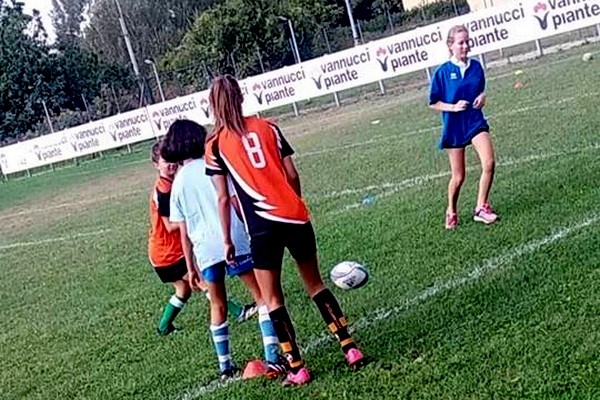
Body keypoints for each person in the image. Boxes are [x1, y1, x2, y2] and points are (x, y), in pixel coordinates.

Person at [206, 74, 366, 387]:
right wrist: (295, 205)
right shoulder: (269, 127)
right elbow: (292, 174)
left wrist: (226, 239)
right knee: (316, 285)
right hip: (295, 217)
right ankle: (350, 349)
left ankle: (297, 368)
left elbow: (223, 197)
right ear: (241, 97)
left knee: (273, 298)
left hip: (263, 227)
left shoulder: (215, 145)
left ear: (212, 105)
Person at [160, 120, 287, 380]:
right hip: (234, 240)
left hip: (204, 248)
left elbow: (183, 229)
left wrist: (191, 266)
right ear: (198, 139)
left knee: (217, 304)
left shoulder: (179, 181)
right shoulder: (213, 165)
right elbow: (231, 200)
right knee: (262, 295)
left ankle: (225, 367)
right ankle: (273, 358)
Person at [147, 143, 255, 337]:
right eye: (165, 162)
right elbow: (170, 225)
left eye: (172, 159)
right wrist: (191, 217)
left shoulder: (172, 184)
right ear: (156, 165)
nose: (171, 164)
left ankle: (164, 327)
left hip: (162, 252)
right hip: (168, 252)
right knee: (204, 282)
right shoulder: (164, 190)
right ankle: (239, 312)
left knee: (184, 289)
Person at [428, 25, 499, 229]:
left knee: (489, 163)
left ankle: (481, 208)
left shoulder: (476, 67)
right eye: (461, 42)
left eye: (468, 41)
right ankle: (451, 210)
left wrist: (482, 98)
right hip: (454, 127)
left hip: (475, 122)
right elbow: (433, 102)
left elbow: (480, 91)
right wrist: (453, 107)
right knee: (459, 177)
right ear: (451, 46)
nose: (466, 45)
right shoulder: (442, 73)